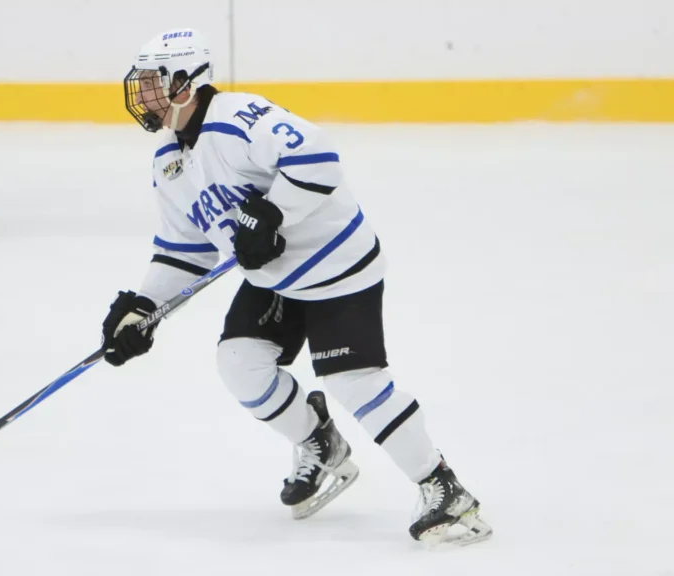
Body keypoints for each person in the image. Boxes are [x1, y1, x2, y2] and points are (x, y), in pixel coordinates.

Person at [99, 28, 492, 546]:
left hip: (336, 268)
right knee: (239, 362)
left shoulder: (240, 118)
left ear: (185, 83)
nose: (143, 96)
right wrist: (145, 306)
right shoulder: (168, 160)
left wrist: (272, 215)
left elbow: (319, 158)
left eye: (153, 84)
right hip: (276, 278)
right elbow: (184, 249)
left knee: (353, 381)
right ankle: (320, 443)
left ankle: (446, 490)